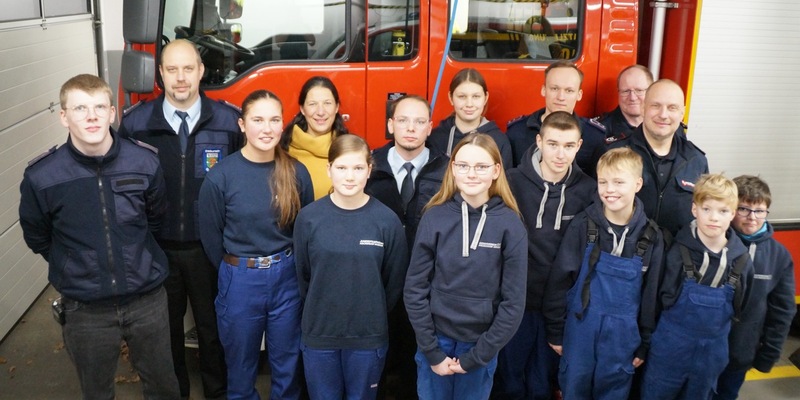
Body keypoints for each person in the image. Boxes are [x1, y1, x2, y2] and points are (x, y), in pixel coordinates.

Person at [19, 74, 179, 399]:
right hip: (85, 309)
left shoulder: (144, 161)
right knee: (96, 392)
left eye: (99, 107)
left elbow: (156, 219)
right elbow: (38, 236)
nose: (91, 116)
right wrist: (74, 263)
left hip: (146, 301)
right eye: (80, 108)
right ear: (64, 116)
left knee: (164, 387)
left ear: (112, 113)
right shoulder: (42, 177)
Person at [118, 39, 241, 400]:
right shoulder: (135, 124)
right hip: (157, 250)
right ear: (160, 74)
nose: (181, 78)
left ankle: (218, 393)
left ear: (201, 71)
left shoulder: (229, 122)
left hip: (210, 249)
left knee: (213, 330)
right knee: (165, 334)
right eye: (172, 70)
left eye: (188, 68)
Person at [198, 90, 314, 399]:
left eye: (274, 120)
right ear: (242, 125)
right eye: (258, 120)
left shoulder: (296, 172)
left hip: (286, 277)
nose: (267, 128)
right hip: (240, 279)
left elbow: (305, 231)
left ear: (283, 124)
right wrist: (237, 269)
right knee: (240, 367)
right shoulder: (221, 177)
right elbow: (211, 237)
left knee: (288, 365)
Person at [405, 133, 527, 399]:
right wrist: (432, 351)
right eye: (463, 165)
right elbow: (415, 289)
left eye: (481, 166)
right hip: (435, 340)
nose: (471, 174)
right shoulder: (434, 217)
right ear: (453, 168)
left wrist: (479, 355)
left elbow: (514, 302)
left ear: (496, 171)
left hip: (480, 345)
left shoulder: (510, 224)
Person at [543, 147, 665, 400]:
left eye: (619, 182)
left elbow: (651, 295)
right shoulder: (582, 225)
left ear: (638, 184)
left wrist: (644, 342)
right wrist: (555, 329)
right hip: (580, 332)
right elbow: (559, 281)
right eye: (603, 182)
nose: (610, 190)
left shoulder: (651, 237)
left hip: (623, 339)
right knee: (574, 387)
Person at [294, 134, 408, 399]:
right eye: (341, 167)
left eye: (357, 168)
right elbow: (303, 276)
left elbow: (393, 283)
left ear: (369, 170)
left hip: (367, 337)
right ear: (329, 169)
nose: (349, 176)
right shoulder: (308, 219)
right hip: (320, 334)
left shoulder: (386, 221)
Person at [494, 111, 596, 400]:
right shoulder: (510, 182)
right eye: (552, 144)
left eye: (568, 145)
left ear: (579, 146)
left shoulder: (588, 190)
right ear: (538, 141)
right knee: (509, 383)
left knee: (543, 385)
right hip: (514, 304)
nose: (560, 154)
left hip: (559, 308)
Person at [642, 173, 754, 400]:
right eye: (706, 209)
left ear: (733, 213)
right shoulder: (675, 252)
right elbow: (656, 300)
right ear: (694, 209)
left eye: (723, 211)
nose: (714, 218)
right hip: (669, 350)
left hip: (711, 357)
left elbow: (742, 308)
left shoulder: (742, 262)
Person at [366, 94, 448, 399]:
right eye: (402, 120)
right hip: (377, 283)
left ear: (429, 127)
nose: (410, 128)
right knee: (376, 364)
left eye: (419, 121)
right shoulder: (369, 166)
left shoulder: (447, 170)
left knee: (417, 366)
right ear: (390, 125)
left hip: (427, 286)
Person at [714, 175, 796, 400]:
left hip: (739, 354)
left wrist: (769, 353)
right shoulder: (714, 242)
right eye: (744, 209)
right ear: (732, 209)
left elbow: (782, 311)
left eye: (759, 211)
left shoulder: (778, 255)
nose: (752, 217)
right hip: (701, 351)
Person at [607, 79, 708, 236]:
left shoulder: (696, 160)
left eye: (672, 108)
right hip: (624, 249)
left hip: (676, 251)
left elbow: (704, 215)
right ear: (643, 108)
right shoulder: (614, 153)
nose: (663, 115)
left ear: (682, 113)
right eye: (655, 106)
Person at [505, 60, 605, 176]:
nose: (561, 97)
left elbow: (598, 182)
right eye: (554, 89)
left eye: (569, 91)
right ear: (544, 90)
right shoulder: (516, 132)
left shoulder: (594, 137)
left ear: (579, 95)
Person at [427, 68, 513, 169]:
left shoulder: (499, 140)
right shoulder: (435, 137)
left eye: (476, 96)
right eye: (462, 96)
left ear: (485, 98)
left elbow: (504, 178)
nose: (469, 104)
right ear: (451, 98)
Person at [282, 76, 350, 199]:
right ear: (302, 109)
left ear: (336, 107)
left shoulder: (350, 149)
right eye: (312, 104)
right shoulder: (283, 150)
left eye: (327, 103)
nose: (320, 112)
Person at [592, 65, 655, 143]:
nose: (632, 98)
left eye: (639, 90)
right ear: (618, 92)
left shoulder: (662, 125)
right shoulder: (597, 131)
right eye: (626, 91)